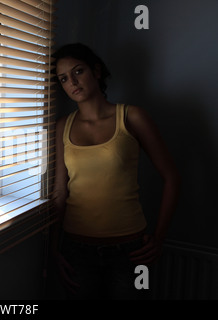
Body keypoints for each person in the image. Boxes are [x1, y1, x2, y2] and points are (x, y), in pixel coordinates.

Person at [50, 43, 181, 299]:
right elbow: (59, 190)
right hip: (76, 249)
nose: (72, 82)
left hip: (129, 251)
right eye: (64, 78)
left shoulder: (132, 117)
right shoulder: (62, 126)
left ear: (96, 71)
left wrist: (159, 238)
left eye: (78, 71)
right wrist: (53, 247)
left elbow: (172, 177)